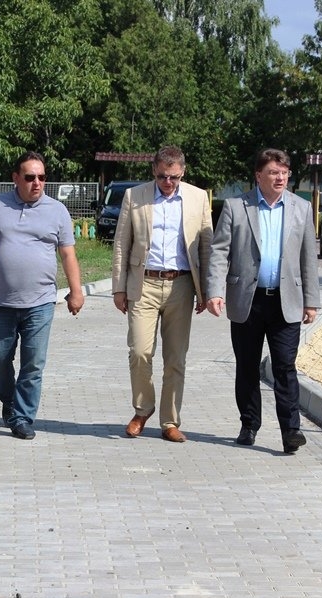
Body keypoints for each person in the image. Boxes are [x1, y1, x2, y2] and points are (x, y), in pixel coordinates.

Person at [203, 148, 321, 454]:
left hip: (286, 301)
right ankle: (249, 424)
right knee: (247, 366)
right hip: (248, 300)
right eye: (273, 172)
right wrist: (214, 291)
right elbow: (219, 251)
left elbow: (309, 257)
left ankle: (291, 430)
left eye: (284, 172)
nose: (280, 178)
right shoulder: (236, 206)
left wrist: (311, 301)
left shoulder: (301, 208)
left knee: (285, 366)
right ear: (258, 176)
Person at [0, 151, 84, 440]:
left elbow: (68, 254)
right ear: (16, 178)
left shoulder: (57, 210)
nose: (37, 183)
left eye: (42, 177)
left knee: (33, 363)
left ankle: (21, 417)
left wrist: (76, 291)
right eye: (30, 177)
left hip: (40, 302)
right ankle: (10, 401)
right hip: (1, 302)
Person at [110, 146, 213, 443]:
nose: (168, 182)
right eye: (162, 176)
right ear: (154, 170)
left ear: (183, 172)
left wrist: (206, 290)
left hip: (182, 284)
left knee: (175, 357)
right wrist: (118, 287)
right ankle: (143, 409)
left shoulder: (197, 198)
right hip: (143, 284)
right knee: (140, 351)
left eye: (174, 177)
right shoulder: (135, 196)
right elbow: (121, 243)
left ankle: (170, 421)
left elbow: (206, 246)